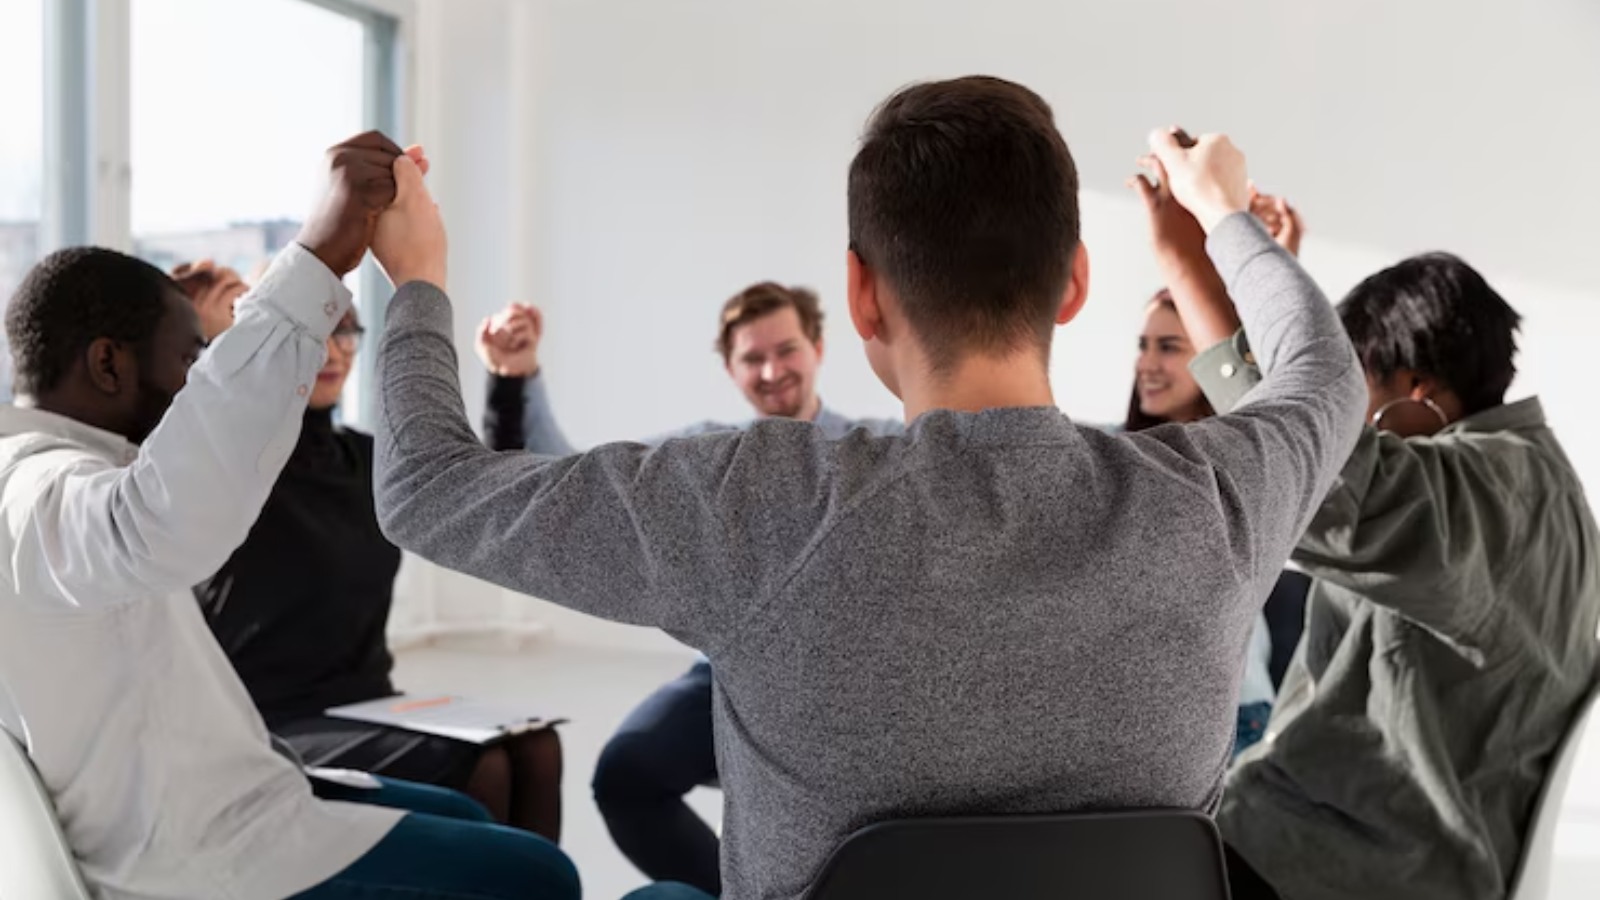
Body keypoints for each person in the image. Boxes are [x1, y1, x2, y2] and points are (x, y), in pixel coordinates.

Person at [369, 78, 1366, 900]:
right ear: (1072, 284)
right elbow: (1324, 375)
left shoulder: (753, 498)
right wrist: (1220, 222)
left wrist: (417, 274)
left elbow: (425, 487)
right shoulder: (1219, 495)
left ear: (858, 295)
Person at [0, 132, 578, 900]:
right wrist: (311, 260)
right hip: (210, 840)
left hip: (252, 774)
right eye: (191, 358)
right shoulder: (45, 487)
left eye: (348, 334)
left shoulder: (323, 457)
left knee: (491, 793)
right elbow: (170, 503)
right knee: (537, 872)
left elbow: (473, 489)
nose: (196, 380)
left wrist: (504, 378)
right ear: (110, 365)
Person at [1133, 151, 1600, 900]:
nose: (1340, 417)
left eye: (1356, 389)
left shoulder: (1492, 496)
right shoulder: (1532, 485)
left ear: (1419, 392)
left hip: (1331, 864)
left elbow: (1311, 471)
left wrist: (1208, 243)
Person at [476, 283, 902, 893]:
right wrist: (518, 376)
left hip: (847, 682)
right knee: (625, 775)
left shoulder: (881, 446)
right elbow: (575, 487)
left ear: (818, 348)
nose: (772, 370)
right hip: (725, 672)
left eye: (786, 350)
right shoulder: (705, 453)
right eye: (752, 359)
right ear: (731, 370)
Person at [180, 275, 565, 843]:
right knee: (481, 768)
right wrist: (216, 345)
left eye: (347, 332)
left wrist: (509, 381)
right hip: (269, 718)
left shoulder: (366, 460)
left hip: (370, 705)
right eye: (314, 333)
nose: (334, 350)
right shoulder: (235, 463)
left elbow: (483, 495)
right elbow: (178, 425)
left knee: (535, 747)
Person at [1122, 288, 1276, 755]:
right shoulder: (1121, 455)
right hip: (1146, 713)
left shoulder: (1238, 458)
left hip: (1230, 715)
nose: (1147, 363)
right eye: (1143, 345)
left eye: (1168, 347)